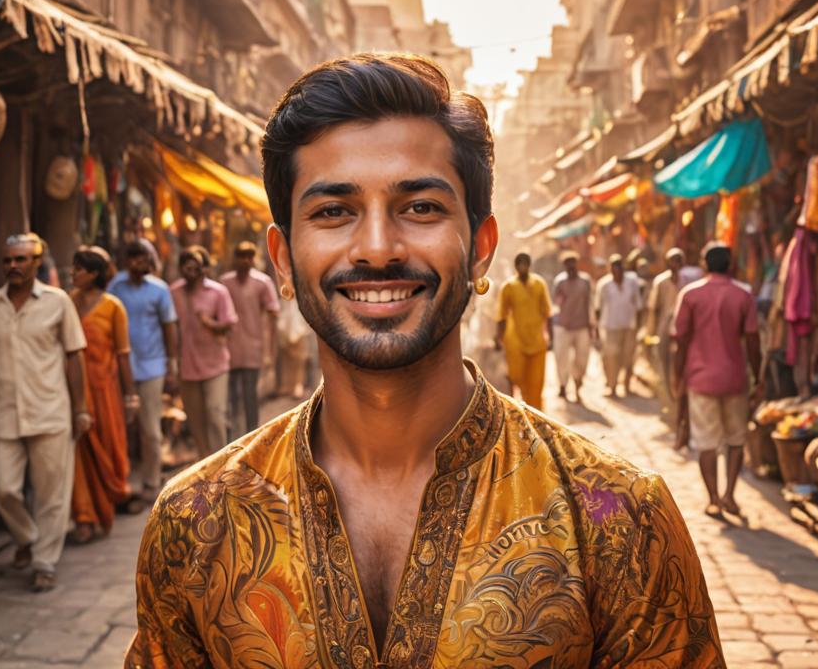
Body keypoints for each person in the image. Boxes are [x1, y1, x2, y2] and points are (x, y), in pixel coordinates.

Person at [127, 53, 722, 667]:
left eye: (420, 208)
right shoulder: (198, 520)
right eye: (334, 212)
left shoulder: (618, 519)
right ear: (282, 259)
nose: (378, 249)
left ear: (481, 250)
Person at [0, 233, 89, 592]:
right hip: (6, 410)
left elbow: (74, 356)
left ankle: (44, 562)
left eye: (21, 259)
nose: (13, 266)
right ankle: (28, 536)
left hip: (50, 408)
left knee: (52, 493)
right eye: (8, 260)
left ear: (37, 262)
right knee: (1, 487)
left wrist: (81, 408)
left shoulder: (58, 303)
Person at [672, 242, 762, 519]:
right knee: (736, 439)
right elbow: (753, 343)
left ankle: (713, 499)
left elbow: (681, 341)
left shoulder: (690, 295)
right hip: (735, 378)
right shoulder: (743, 295)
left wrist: (677, 377)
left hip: (700, 380)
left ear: (704, 264)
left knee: (707, 442)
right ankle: (730, 496)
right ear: (731, 265)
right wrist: (758, 377)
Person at [68, 246, 139, 544]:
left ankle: (110, 501)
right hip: (74, 389)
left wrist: (130, 395)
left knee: (108, 450)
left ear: (94, 274)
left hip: (105, 389)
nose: (73, 274)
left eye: (79, 270)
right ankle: (84, 517)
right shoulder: (67, 303)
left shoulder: (113, 307)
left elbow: (123, 355)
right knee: (79, 455)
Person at [108, 240, 178, 502]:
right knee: (123, 429)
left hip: (152, 366)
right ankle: (122, 483)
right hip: (120, 368)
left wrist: (172, 367)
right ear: (127, 260)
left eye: (144, 257)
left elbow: (169, 327)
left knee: (150, 428)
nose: (139, 262)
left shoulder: (160, 290)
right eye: (134, 257)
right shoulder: (116, 286)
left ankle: (150, 482)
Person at [171, 246, 238, 458]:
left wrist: (209, 323)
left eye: (195, 266)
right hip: (186, 365)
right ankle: (204, 463)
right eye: (186, 266)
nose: (190, 270)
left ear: (204, 268)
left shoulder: (218, 292)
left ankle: (221, 462)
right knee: (195, 419)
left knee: (215, 413)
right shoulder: (173, 292)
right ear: (180, 268)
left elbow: (229, 324)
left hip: (215, 363)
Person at [221, 241, 280, 436]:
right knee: (231, 396)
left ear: (253, 259)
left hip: (252, 345)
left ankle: (252, 434)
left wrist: (270, 345)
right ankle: (233, 437)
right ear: (234, 258)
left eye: (249, 256)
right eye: (241, 256)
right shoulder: (225, 282)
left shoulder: (262, 282)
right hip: (227, 346)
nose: (245, 261)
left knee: (250, 394)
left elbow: (273, 311)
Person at [496, 252, 552, 410]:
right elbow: (502, 314)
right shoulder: (508, 287)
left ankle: (535, 415)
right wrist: (499, 338)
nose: (522, 267)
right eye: (519, 264)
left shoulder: (539, 284)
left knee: (536, 382)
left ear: (529, 265)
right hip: (515, 342)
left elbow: (547, 312)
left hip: (537, 341)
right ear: (516, 267)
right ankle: (517, 411)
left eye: (525, 263)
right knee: (516, 377)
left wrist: (550, 336)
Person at [595, 253, 643, 397]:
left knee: (628, 357)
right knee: (611, 357)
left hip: (629, 325)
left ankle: (627, 385)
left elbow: (638, 305)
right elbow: (598, 308)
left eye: (619, 266)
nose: (617, 270)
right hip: (610, 326)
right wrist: (597, 329)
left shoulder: (632, 282)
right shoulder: (603, 284)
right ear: (610, 269)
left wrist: (639, 327)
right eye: (614, 267)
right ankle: (612, 385)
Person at [552, 249, 593, 401]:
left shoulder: (585, 281)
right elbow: (555, 306)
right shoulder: (560, 282)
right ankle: (563, 386)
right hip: (563, 327)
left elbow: (590, 303)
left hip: (582, 326)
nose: (571, 267)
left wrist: (592, 325)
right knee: (561, 358)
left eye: (573, 263)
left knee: (582, 359)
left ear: (576, 264)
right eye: (567, 264)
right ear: (564, 266)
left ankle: (577, 384)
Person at [646, 247, 686, 397]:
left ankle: (679, 389)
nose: (675, 264)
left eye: (678, 261)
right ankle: (668, 391)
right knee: (663, 357)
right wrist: (651, 332)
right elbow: (654, 308)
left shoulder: (688, 281)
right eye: (672, 261)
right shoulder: (661, 282)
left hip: (683, 325)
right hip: (665, 324)